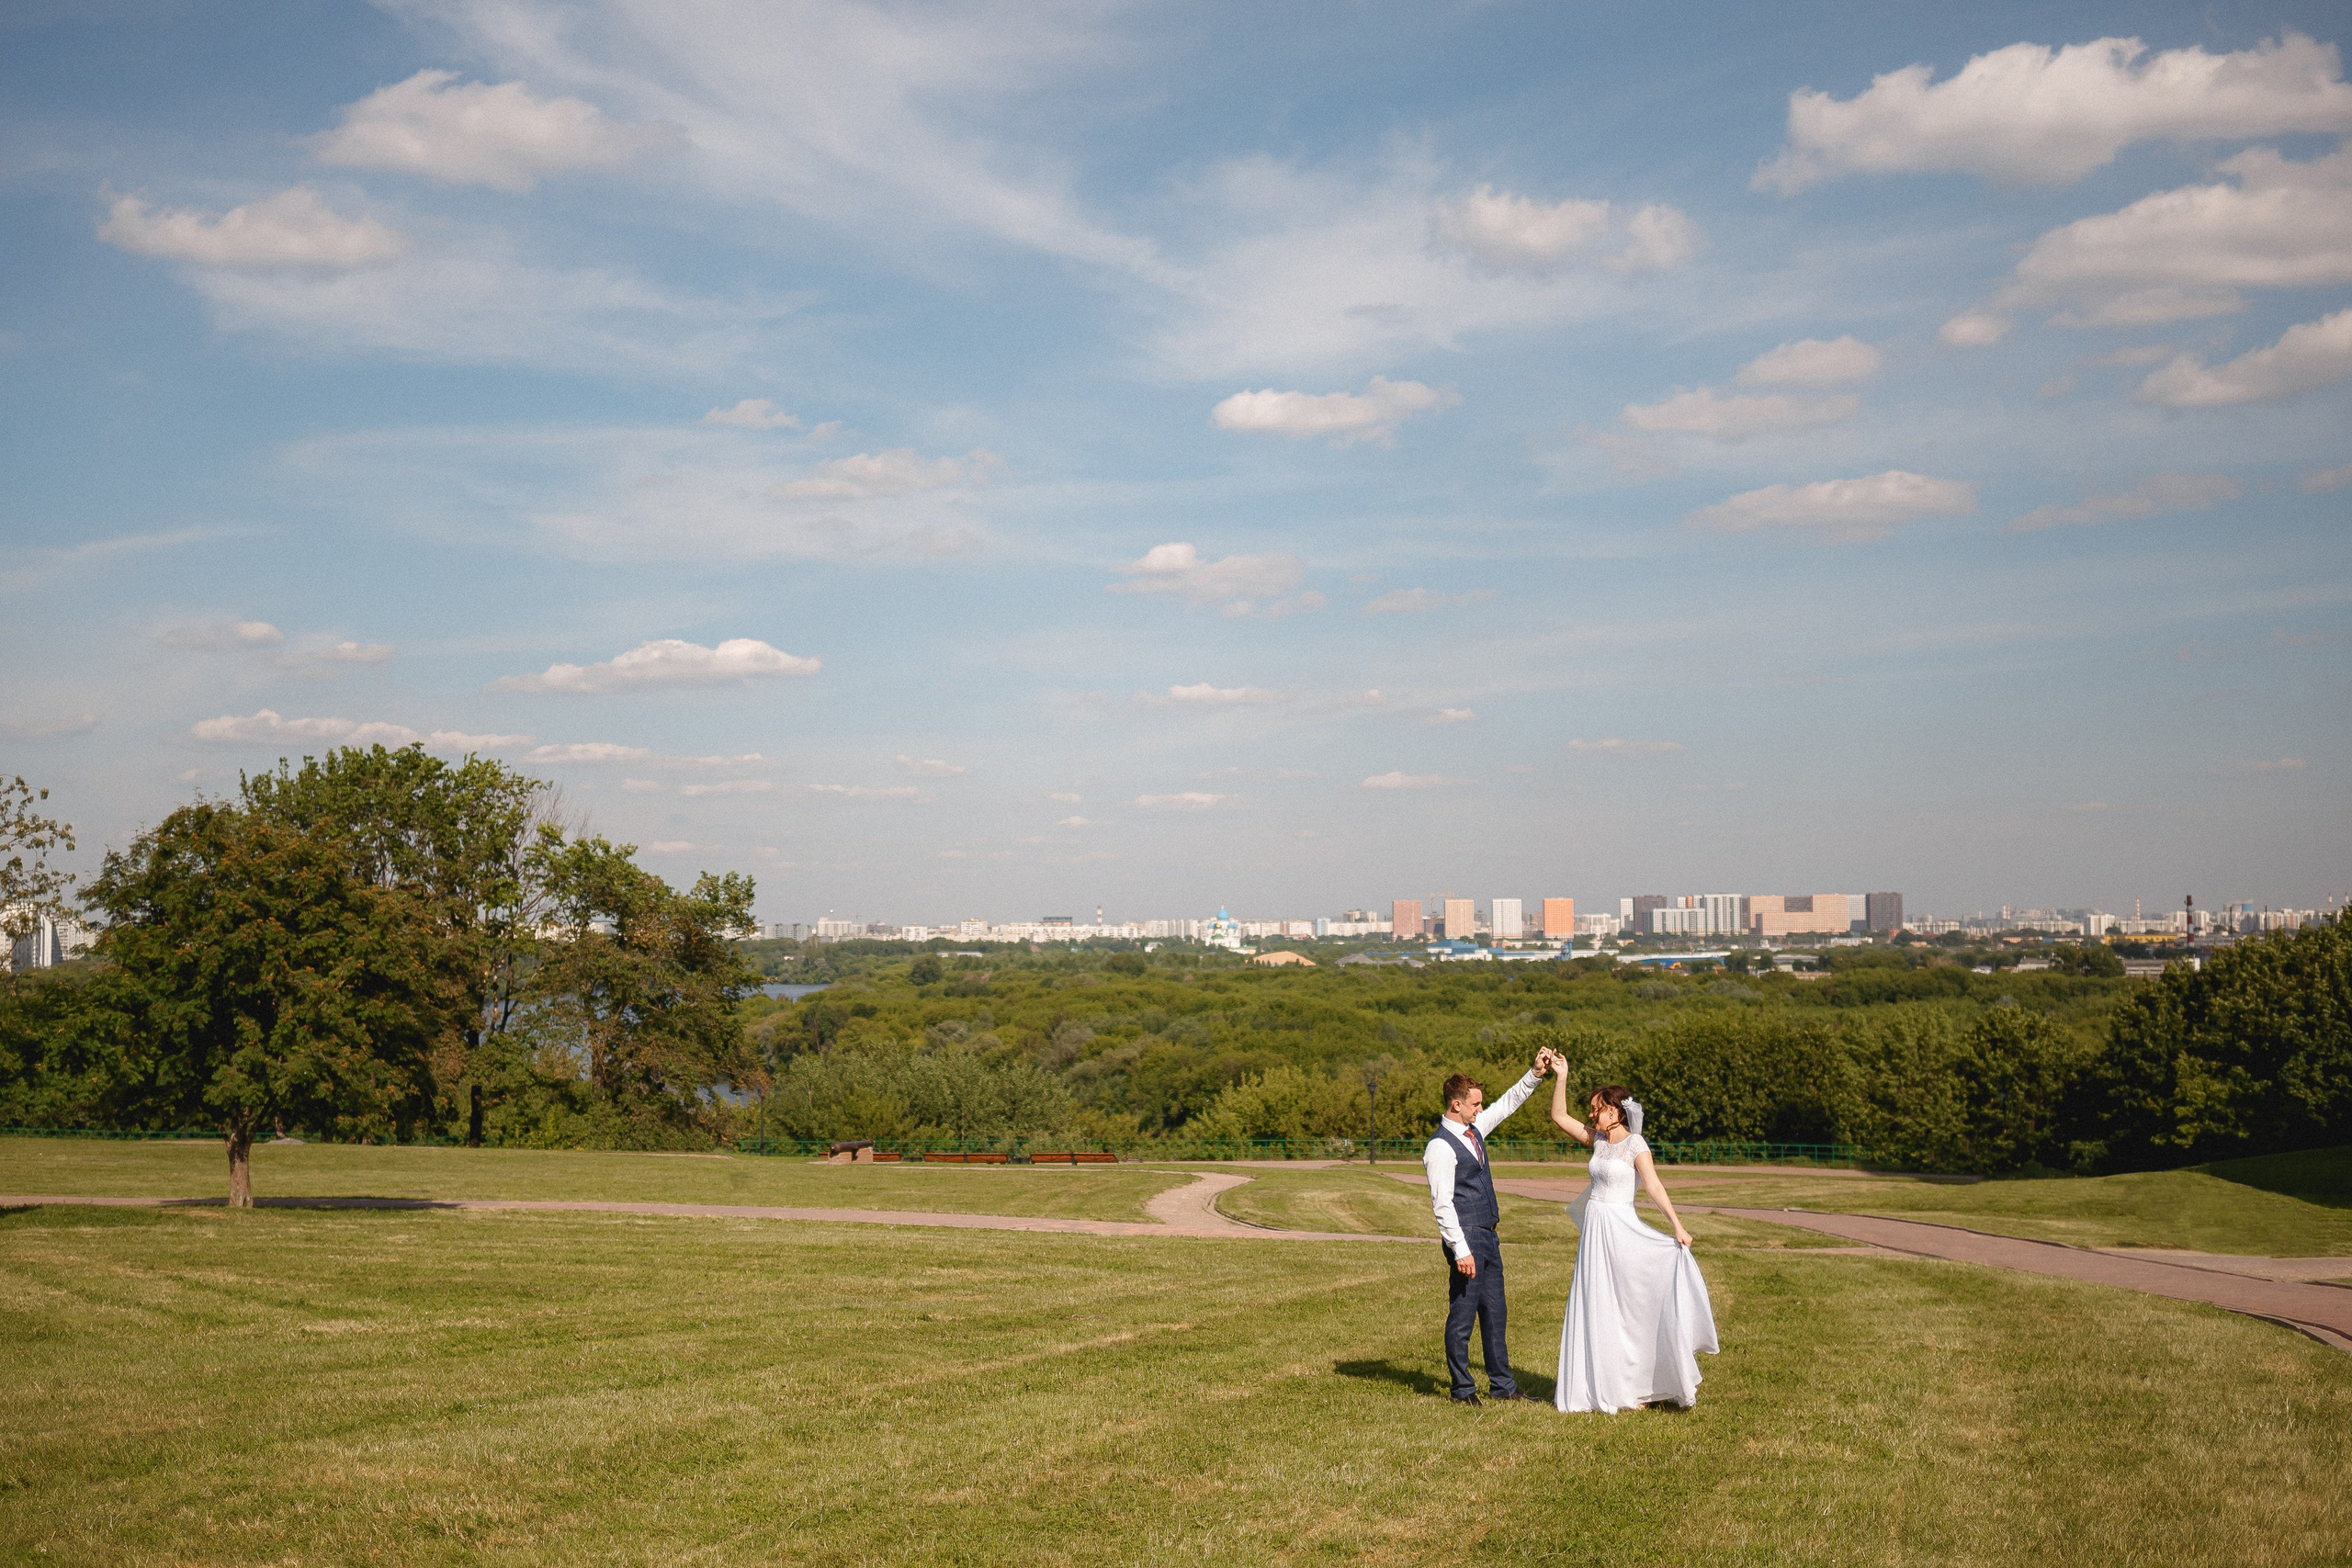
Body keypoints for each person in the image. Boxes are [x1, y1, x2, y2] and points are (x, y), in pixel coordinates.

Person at [1545, 1067, 1719, 1413]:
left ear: (1615, 1111)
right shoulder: (1596, 1139)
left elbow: (1653, 1185)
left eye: (1597, 1108)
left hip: (1621, 1228)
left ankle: (1642, 1385)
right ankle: (1603, 1386)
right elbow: (1559, 1115)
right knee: (1599, 1302)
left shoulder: (1635, 1144)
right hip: (1595, 1231)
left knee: (1631, 1306)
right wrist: (1561, 1076)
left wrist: (1677, 1226)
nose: (1591, 1114)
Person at [1424, 1047, 1556, 1405]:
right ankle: (1462, 1390)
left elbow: (1506, 1104)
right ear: (1456, 1105)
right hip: (1466, 1239)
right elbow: (1442, 1204)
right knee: (1463, 1317)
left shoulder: (1474, 1128)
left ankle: (1503, 1386)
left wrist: (1535, 1073)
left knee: (1495, 1314)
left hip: (1489, 1236)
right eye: (1475, 1104)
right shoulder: (1440, 1147)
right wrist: (1460, 1250)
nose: (1481, 1109)